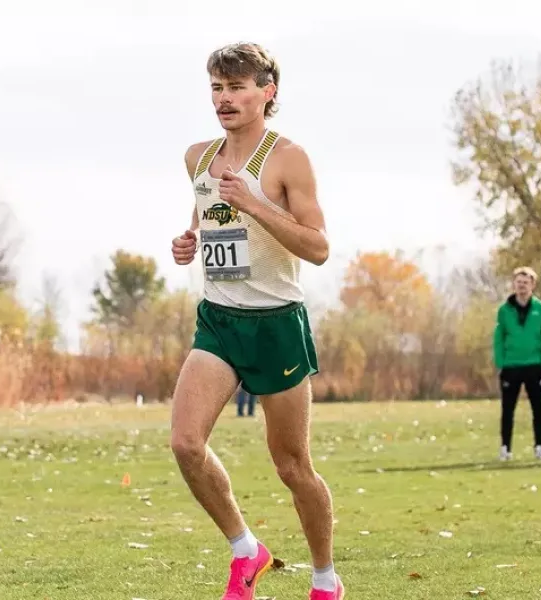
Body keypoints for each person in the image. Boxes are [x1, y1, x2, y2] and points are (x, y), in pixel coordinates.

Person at [170, 42, 343, 600]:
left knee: (292, 467)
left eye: (238, 87)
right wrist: (189, 240)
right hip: (219, 320)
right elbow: (207, 217)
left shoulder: (287, 157)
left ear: (267, 93)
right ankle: (247, 550)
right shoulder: (198, 156)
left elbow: (317, 248)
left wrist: (256, 205)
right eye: (218, 88)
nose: (225, 98)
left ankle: (324, 580)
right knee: (185, 444)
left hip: (276, 325)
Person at [493, 266, 541, 463]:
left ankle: (539, 447)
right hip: (511, 366)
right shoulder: (504, 310)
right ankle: (505, 448)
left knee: (538, 408)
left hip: (534, 365)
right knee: (508, 409)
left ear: (532, 285)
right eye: (518, 282)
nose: (522, 286)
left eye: (525, 283)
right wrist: (500, 361)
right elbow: (499, 337)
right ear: (514, 285)